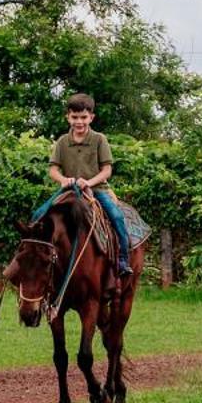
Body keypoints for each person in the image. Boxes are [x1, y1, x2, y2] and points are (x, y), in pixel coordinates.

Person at [46, 93, 133, 278]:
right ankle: (42, 260)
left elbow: (107, 170)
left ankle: (123, 260)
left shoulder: (99, 139)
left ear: (91, 117)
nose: (79, 122)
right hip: (69, 190)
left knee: (117, 218)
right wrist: (63, 180)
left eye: (84, 117)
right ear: (68, 117)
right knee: (39, 215)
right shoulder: (62, 141)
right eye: (75, 117)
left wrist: (89, 182)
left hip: (97, 189)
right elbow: (53, 170)